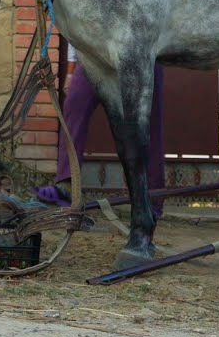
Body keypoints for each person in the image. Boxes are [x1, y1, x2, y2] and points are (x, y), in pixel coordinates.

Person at [35, 44, 167, 217]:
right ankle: (67, 185)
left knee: (147, 124)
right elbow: (76, 29)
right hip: (95, 54)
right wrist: (71, 70)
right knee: (74, 106)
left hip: (139, 52)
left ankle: (152, 199)